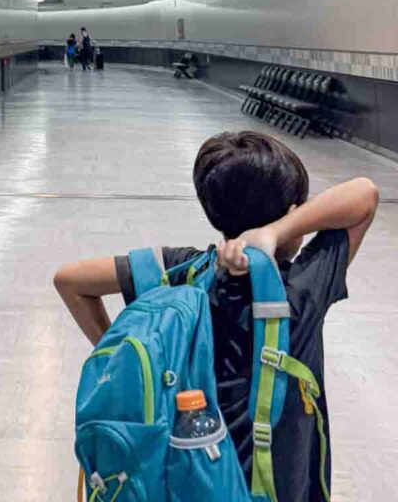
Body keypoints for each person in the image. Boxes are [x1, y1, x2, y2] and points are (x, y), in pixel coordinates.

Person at [53, 130, 380, 502]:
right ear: (294, 214)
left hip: (188, 480)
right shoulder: (302, 291)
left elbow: (71, 281)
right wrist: (276, 232)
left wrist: (132, 366)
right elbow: (364, 195)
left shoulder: (184, 269)